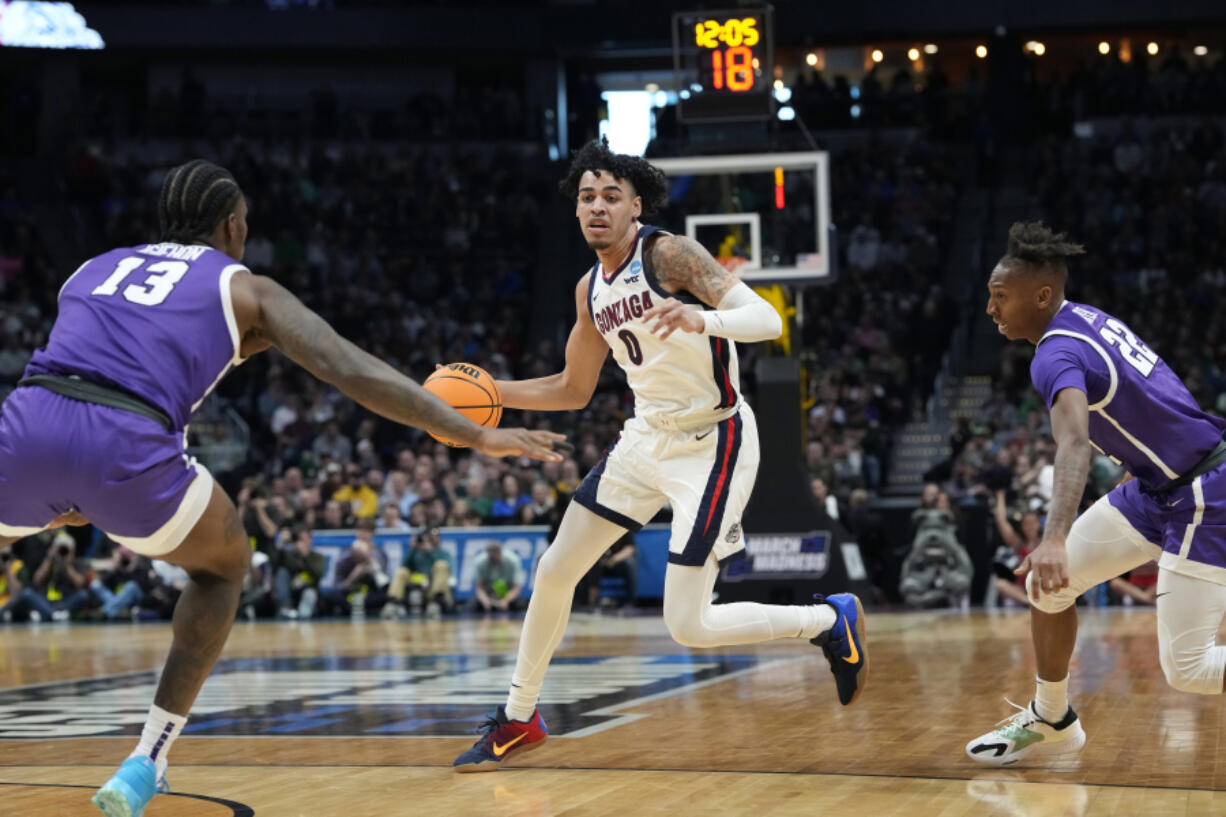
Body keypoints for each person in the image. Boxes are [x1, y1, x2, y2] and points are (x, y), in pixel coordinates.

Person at [0, 158, 565, 816]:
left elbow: (105, 354)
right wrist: (473, 433)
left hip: (26, 422)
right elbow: (349, 368)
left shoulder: (90, 268)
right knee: (225, 566)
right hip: (128, 441)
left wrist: (64, 483)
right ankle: (146, 760)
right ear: (234, 224)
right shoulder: (246, 287)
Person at [453, 139, 868, 772]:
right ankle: (519, 717)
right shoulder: (588, 287)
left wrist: (704, 321)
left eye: (611, 197)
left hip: (713, 441)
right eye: (587, 197)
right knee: (555, 570)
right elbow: (572, 387)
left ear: (635, 205)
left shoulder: (670, 254)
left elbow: (767, 322)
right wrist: (487, 394)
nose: (597, 207)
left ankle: (824, 621)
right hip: (645, 438)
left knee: (687, 625)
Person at [967, 221, 1226, 767]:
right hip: (1158, 487)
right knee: (1047, 586)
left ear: (1041, 296)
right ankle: (1052, 715)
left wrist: (1055, 535)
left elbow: (1074, 443)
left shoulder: (1053, 354)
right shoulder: (1085, 317)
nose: (991, 309)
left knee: (1191, 670)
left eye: (1000, 297)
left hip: (1205, 492)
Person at [991, 489, 1040, 606]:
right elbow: (1001, 521)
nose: (1030, 526)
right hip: (1022, 589)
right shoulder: (1019, 544)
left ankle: (1035, 601)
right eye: (1026, 523)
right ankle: (1028, 602)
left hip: (1041, 587)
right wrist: (1000, 495)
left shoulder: (1046, 543)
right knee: (1000, 584)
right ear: (1022, 526)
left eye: (1032, 523)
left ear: (1038, 524)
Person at [274, 526, 326, 619]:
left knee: (309, 594)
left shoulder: (318, 557)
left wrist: (305, 556)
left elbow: (318, 574)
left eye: (304, 540)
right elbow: (275, 564)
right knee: (282, 572)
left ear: (310, 541)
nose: (301, 543)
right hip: (293, 592)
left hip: (309, 593)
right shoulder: (290, 556)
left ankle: (303, 617)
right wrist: (282, 544)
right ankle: (286, 609)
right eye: (299, 540)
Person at [468, 542, 525, 614]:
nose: (494, 559)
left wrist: (506, 600)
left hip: (507, 593)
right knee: (470, 606)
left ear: (500, 552)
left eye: (496, 556)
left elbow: (516, 588)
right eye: (491, 557)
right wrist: (484, 600)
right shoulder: (480, 562)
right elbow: (479, 587)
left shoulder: (513, 561)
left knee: (520, 605)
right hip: (488, 593)